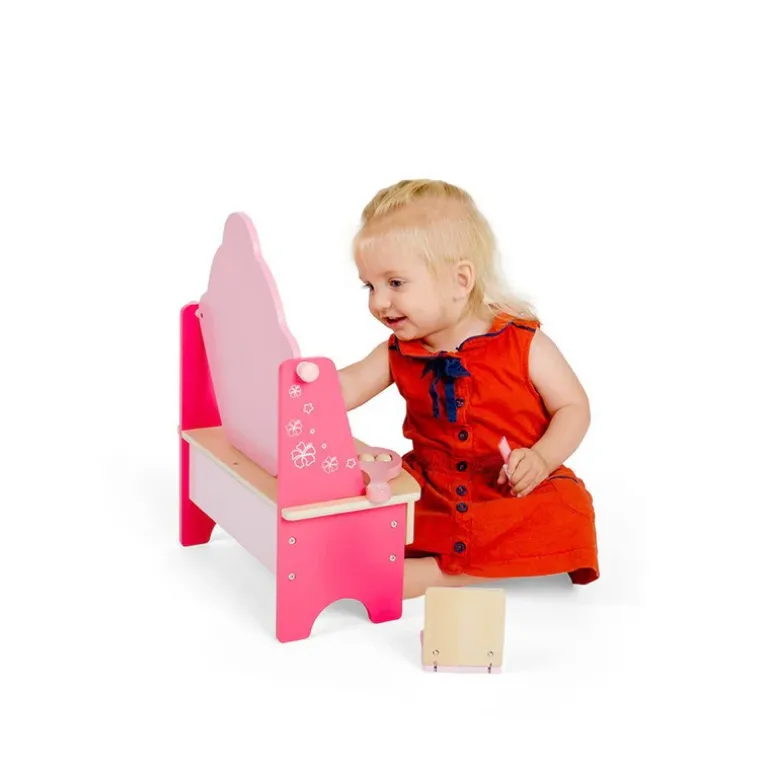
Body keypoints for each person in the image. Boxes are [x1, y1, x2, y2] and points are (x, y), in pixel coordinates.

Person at [338, 179, 599, 599]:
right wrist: (299, 389)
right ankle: (449, 560)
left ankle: (440, 575)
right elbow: (346, 386)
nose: (379, 302)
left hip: (507, 486)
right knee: (376, 505)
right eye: (370, 286)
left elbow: (573, 407)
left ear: (460, 280)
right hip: (434, 489)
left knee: (566, 512)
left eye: (395, 283)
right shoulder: (399, 351)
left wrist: (542, 458)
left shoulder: (523, 342)